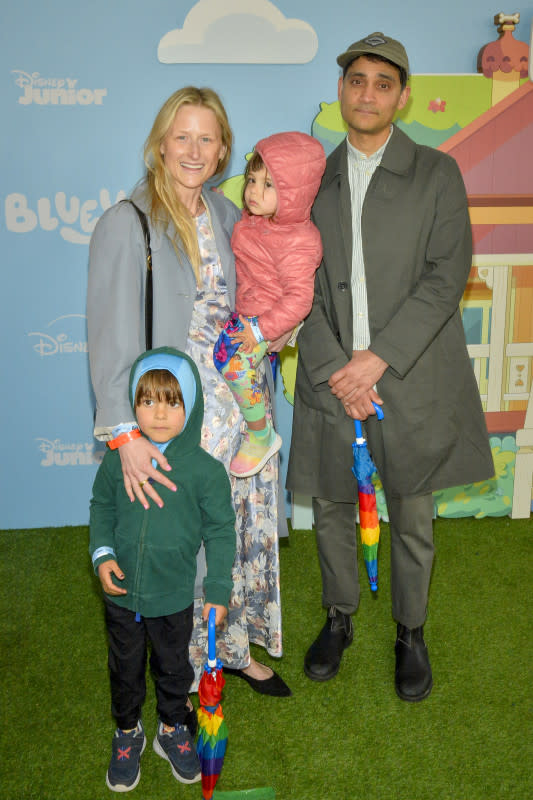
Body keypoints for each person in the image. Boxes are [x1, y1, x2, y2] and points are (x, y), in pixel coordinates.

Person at [287, 33, 494, 701]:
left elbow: (445, 277)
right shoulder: (311, 181)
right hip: (330, 376)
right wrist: (334, 368)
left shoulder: (436, 173)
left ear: (401, 95)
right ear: (342, 90)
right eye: (356, 81)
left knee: (409, 510)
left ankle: (410, 630)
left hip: (407, 374)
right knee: (331, 506)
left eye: (382, 82)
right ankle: (338, 616)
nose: (367, 93)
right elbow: (298, 286)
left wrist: (374, 361)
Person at [88, 87, 291, 699]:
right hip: (176, 417)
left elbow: (255, 299)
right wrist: (125, 433)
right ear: (160, 143)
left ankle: (233, 649)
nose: (195, 150)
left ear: (224, 148)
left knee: (237, 530)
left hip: (240, 409)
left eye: (208, 138)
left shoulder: (231, 216)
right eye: (183, 136)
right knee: (189, 542)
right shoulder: (128, 221)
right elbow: (109, 338)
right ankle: (189, 665)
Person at [89, 347, 236, 792]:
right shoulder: (120, 460)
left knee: (174, 669)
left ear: (191, 407)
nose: (158, 413)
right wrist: (103, 554)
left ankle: (172, 728)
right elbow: (101, 508)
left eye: (172, 401)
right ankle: (127, 732)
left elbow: (221, 532)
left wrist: (217, 589)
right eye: (147, 400)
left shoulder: (206, 472)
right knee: (125, 668)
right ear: (133, 404)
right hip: (122, 595)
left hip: (173, 596)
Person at [213, 131, 325, 478]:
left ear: (294, 194)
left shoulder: (299, 240)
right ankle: (247, 427)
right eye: (251, 180)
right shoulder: (258, 221)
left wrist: (261, 330)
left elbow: (299, 299)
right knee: (220, 359)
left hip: (264, 322)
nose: (253, 192)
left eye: (269, 185)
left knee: (233, 367)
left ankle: (261, 436)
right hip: (247, 313)